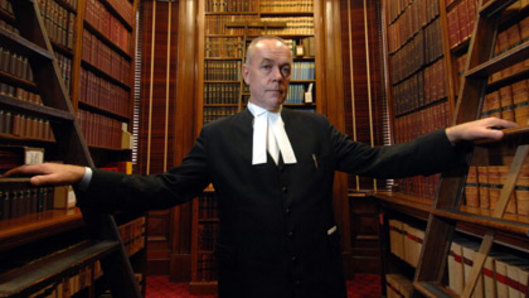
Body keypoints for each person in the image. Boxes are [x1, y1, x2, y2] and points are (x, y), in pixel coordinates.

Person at [4, 36, 517, 298]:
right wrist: (87, 177)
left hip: (319, 279)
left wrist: (451, 136)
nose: (279, 77)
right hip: (249, 280)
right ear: (245, 72)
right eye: (267, 67)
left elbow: (379, 159)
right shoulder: (217, 135)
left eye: (286, 68)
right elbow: (165, 188)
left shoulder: (316, 126)